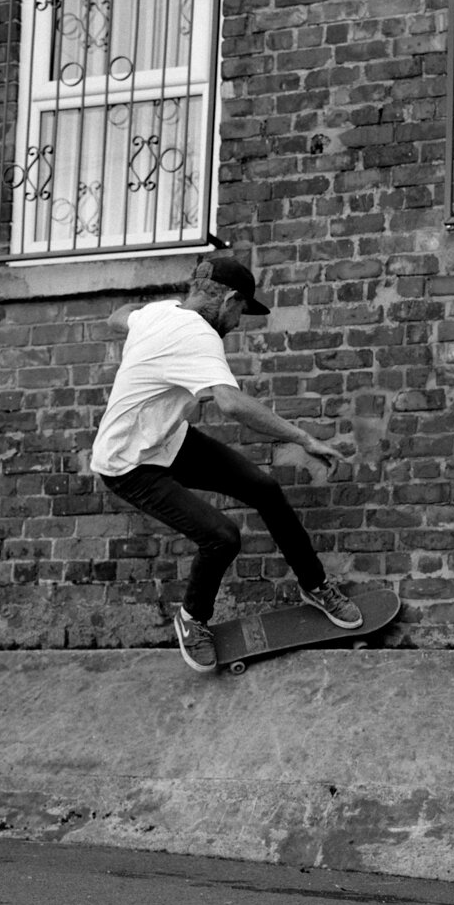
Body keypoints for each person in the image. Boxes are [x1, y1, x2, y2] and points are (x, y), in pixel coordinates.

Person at [91, 254, 361, 673]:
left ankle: (315, 586)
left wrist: (143, 324)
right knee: (222, 536)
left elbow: (117, 316)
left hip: (168, 440)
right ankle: (192, 619)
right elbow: (232, 404)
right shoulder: (198, 335)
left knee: (264, 489)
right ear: (230, 299)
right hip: (128, 464)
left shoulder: (160, 313)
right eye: (240, 312)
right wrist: (304, 438)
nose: (236, 324)